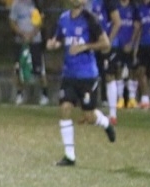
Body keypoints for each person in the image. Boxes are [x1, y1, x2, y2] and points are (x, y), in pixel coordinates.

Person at [46, 0, 116, 166]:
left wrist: (85, 46)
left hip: (87, 75)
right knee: (65, 109)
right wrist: (53, 44)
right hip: (69, 74)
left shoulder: (90, 19)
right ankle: (69, 156)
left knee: (89, 116)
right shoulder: (63, 18)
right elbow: (58, 39)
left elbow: (106, 43)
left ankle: (105, 123)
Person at [87, 0, 121, 122]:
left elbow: (117, 22)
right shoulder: (87, 2)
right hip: (93, 44)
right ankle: (90, 112)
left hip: (107, 45)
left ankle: (113, 114)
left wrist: (108, 42)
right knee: (90, 76)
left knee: (109, 76)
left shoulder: (108, 2)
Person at [10, 0, 50, 105]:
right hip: (21, 42)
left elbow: (41, 21)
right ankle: (20, 94)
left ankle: (44, 94)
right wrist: (22, 34)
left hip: (35, 42)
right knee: (18, 68)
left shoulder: (36, 4)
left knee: (39, 69)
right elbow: (12, 22)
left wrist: (32, 34)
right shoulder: (16, 4)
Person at [112, 0, 141, 109]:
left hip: (130, 44)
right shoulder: (115, 6)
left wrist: (131, 43)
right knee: (118, 70)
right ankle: (120, 98)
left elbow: (137, 27)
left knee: (132, 71)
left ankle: (132, 99)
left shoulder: (134, 7)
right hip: (118, 44)